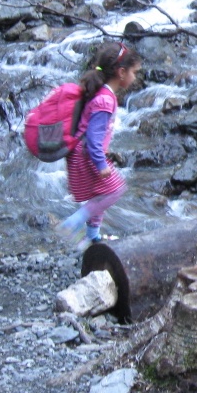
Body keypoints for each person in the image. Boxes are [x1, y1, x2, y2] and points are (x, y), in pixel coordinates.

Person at [55, 41, 141, 249]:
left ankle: (92, 237)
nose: (135, 77)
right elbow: (93, 137)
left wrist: (103, 149)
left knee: (99, 195)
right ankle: (72, 224)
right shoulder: (105, 100)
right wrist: (101, 163)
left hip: (83, 153)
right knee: (115, 190)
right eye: (134, 72)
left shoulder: (101, 93)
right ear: (121, 72)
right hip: (87, 155)